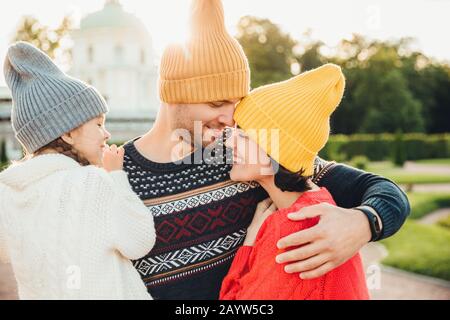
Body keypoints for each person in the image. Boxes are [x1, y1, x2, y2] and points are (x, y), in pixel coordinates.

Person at [123, 0, 410, 299]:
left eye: (235, 103)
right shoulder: (116, 174)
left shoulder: (244, 153)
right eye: (216, 103)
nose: (230, 118)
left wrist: (364, 222)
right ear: (174, 95)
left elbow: (383, 190)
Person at [0, 42, 155, 299]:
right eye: (98, 124)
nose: (106, 134)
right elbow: (139, 242)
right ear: (69, 133)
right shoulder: (93, 182)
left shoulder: (7, 194)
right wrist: (117, 177)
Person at [220, 63, 369, 299]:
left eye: (244, 135)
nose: (229, 143)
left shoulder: (291, 229)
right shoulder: (320, 201)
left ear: (276, 151)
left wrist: (249, 243)